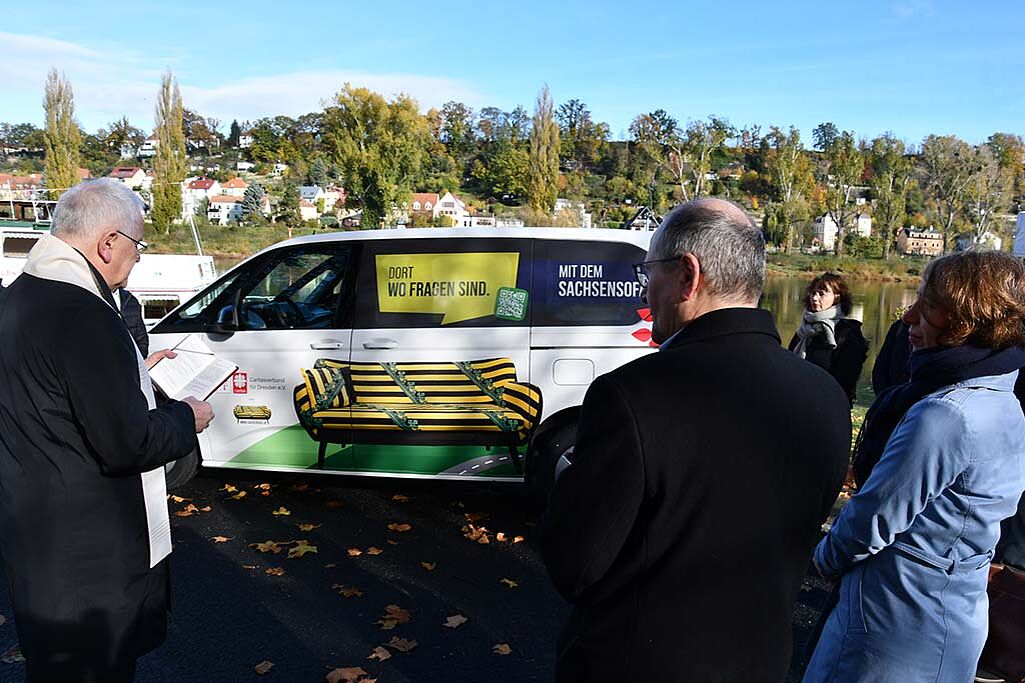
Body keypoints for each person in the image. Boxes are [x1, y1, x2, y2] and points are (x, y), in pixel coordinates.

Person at [539, 198, 852, 682]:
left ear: (688, 275)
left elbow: (574, 566)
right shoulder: (826, 396)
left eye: (649, 272)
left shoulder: (631, 395)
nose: (645, 290)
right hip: (759, 663)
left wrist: (568, 480)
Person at [0, 179, 215, 682]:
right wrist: (187, 418)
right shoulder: (86, 314)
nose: (137, 258)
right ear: (107, 243)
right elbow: (128, 443)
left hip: (35, 537)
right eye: (138, 246)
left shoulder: (17, 297)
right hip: (91, 557)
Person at [804, 250, 1025, 683]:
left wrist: (822, 559)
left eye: (928, 306)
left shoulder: (946, 415)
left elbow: (873, 518)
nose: (908, 317)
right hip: (951, 612)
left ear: (967, 320)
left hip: (895, 622)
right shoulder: (1004, 400)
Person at [788, 272, 869, 405]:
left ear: (837, 297)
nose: (814, 298)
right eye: (813, 293)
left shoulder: (846, 334)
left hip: (828, 405)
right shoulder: (803, 331)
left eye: (822, 294)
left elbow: (846, 381)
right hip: (796, 401)